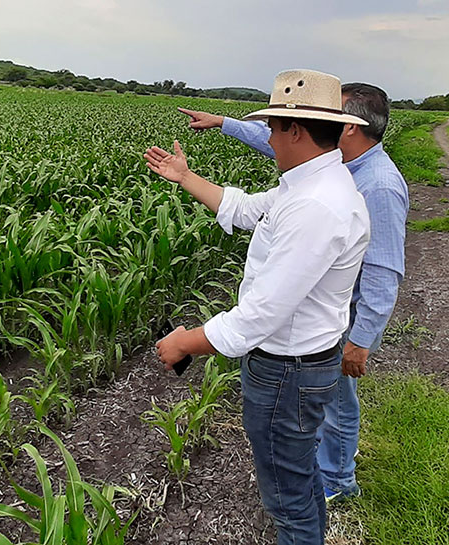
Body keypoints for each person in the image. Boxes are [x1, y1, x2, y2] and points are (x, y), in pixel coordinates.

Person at [146, 69, 371, 545]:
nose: (268, 136)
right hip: (299, 365)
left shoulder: (318, 204)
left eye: (272, 127)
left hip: (289, 371)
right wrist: (186, 177)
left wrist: (186, 342)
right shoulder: (306, 185)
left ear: (295, 130)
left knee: (285, 495)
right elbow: (247, 208)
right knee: (297, 473)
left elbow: (263, 313)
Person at [178, 82, 408, 502]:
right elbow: (265, 171)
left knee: (334, 407)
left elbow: (384, 271)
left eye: (278, 127)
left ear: (347, 129)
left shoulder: (373, 186)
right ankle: (319, 478)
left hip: (329, 320)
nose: (270, 138)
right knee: (322, 409)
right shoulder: (326, 171)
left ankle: (335, 480)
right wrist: (216, 135)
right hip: (319, 311)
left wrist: (361, 340)